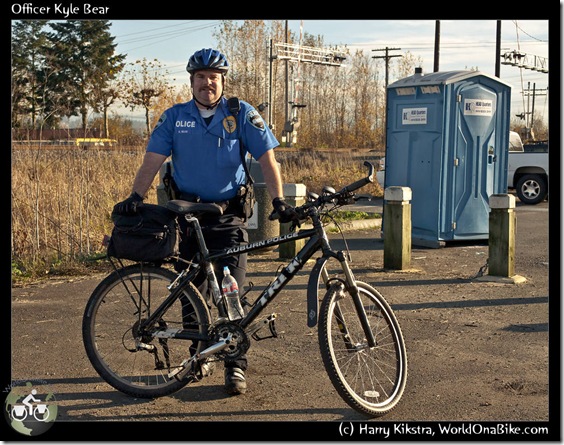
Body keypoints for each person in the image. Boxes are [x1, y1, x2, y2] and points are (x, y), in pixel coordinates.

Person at [113, 48, 299, 396]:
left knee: (232, 291)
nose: (207, 83)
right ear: (192, 81)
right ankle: (199, 355)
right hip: (187, 216)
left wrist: (279, 201)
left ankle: (235, 366)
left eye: (213, 77)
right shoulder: (175, 117)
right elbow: (152, 159)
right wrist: (136, 197)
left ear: (222, 81)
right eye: (201, 77)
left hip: (228, 216)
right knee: (190, 292)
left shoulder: (241, 113)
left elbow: (267, 158)